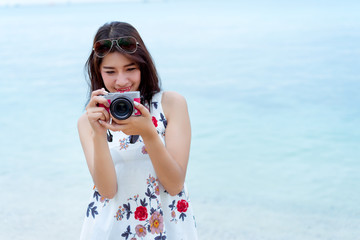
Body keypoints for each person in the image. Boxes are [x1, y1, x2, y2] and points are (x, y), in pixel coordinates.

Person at [77, 21, 198, 240]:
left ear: (143, 66)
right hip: (111, 229)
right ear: (98, 72)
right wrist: (98, 133)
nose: (121, 81)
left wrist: (148, 132)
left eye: (130, 69)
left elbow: (174, 184)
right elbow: (107, 191)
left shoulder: (171, 105)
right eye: (110, 71)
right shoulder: (89, 121)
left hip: (166, 227)